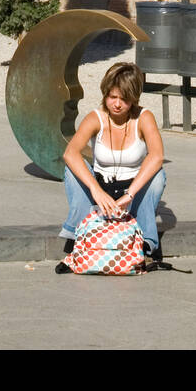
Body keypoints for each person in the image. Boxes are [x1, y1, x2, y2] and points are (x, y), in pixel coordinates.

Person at [58, 60, 166, 271]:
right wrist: (96, 190)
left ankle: (145, 244)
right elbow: (70, 153)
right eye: (112, 97)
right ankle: (78, 238)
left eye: (123, 99)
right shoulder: (95, 117)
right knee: (71, 170)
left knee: (158, 176)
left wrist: (130, 194)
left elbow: (157, 156)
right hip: (101, 190)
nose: (116, 104)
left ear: (134, 98)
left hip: (131, 191)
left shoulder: (144, 117)